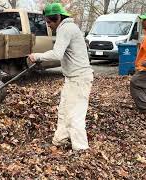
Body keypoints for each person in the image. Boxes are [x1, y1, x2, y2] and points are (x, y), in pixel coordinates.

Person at [28, 3, 94, 150]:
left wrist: (37, 56)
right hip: (72, 78)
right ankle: (60, 139)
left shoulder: (66, 28)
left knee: (75, 114)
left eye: (50, 22)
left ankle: (81, 148)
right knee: (64, 110)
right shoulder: (68, 27)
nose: (48, 25)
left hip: (79, 78)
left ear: (58, 18)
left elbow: (57, 54)